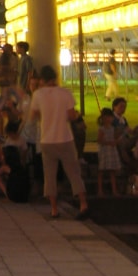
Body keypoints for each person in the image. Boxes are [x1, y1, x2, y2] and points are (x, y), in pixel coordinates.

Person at [27, 65, 89, 220]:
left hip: (47, 140)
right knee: (74, 173)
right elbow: (72, 116)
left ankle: (54, 209)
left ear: (42, 80)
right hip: (65, 138)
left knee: (50, 176)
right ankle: (83, 204)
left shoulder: (38, 95)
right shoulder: (65, 93)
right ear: (55, 78)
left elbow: (33, 115)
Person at [96, 107, 121, 197]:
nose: (108, 119)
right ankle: (100, 190)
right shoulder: (102, 129)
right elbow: (99, 140)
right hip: (104, 152)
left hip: (111, 151)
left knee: (112, 171)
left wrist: (116, 141)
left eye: (110, 117)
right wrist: (108, 143)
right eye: (106, 117)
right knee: (101, 171)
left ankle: (114, 190)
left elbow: (115, 138)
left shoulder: (113, 128)